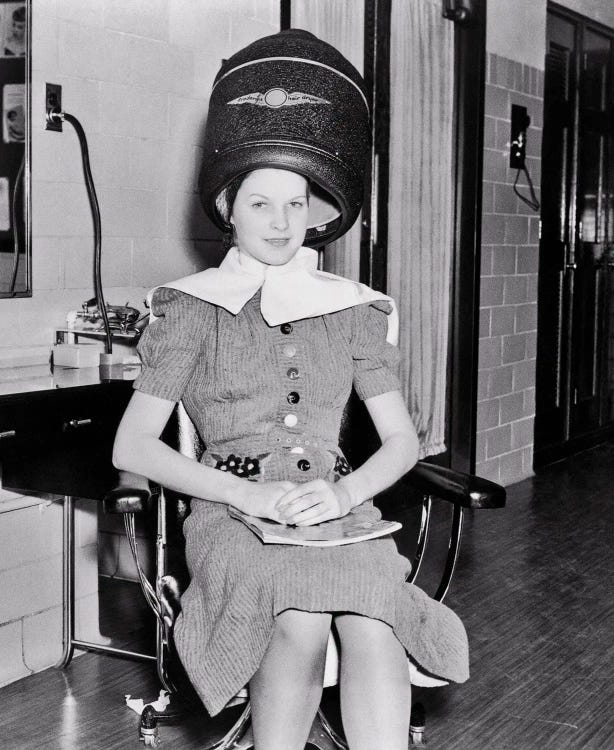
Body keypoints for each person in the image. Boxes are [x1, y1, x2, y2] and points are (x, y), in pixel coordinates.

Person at [112, 167, 469, 749]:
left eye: (295, 205)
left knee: (376, 617)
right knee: (298, 615)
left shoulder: (352, 310)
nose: (280, 223)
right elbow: (131, 445)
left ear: (312, 211)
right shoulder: (192, 308)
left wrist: (345, 494)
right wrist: (246, 495)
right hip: (230, 513)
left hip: (336, 512)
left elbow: (402, 441)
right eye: (260, 204)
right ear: (228, 208)